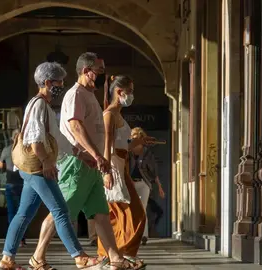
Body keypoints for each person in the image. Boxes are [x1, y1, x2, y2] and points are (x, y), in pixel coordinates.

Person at [32, 52, 140, 270]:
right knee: (60, 212)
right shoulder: (76, 95)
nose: (103, 75)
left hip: (92, 166)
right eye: (99, 71)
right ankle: (37, 257)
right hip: (78, 163)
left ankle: (115, 258)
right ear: (86, 71)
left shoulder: (90, 95)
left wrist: (99, 158)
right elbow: (75, 126)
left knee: (100, 213)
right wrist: (96, 155)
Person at [0, 62, 100, 270]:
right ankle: (79, 257)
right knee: (61, 211)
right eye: (58, 82)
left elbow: (58, 139)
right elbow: (36, 141)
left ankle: (8, 258)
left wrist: (80, 154)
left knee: (24, 213)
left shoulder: (43, 105)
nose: (61, 85)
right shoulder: (38, 105)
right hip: (38, 168)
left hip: (31, 169)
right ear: (46, 82)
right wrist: (47, 162)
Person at [97, 75, 147, 269]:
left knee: (119, 215)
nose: (132, 95)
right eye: (130, 91)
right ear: (120, 92)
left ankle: (113, 256)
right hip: (114, 166)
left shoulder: (118, 115)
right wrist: (106, 171)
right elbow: (107, 144)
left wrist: (140, 142)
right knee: (130, 214)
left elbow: (123, 143)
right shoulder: (109, 114)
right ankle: (121, 255)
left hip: (121, 165)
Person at [129, 127, 165, 245]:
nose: (135, 141)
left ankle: (143, 235)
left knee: (142, 209)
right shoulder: (128, 151)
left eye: (138, 138)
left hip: (143, 183)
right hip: (130, 183)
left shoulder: (146, 153)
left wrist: (159, 187)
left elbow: (154, 171)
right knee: (130, 209)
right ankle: (131, 235)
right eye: (133, 138)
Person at [0, 129, 27, 247]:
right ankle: (21, 238)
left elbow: (1, 165)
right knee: (23, 212)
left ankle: (12, 239)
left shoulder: (6, 149)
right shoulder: (26, 149)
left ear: (12, 138)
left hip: (10, 183)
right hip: (23, 184)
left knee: (12, 212)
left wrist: (6, 168)